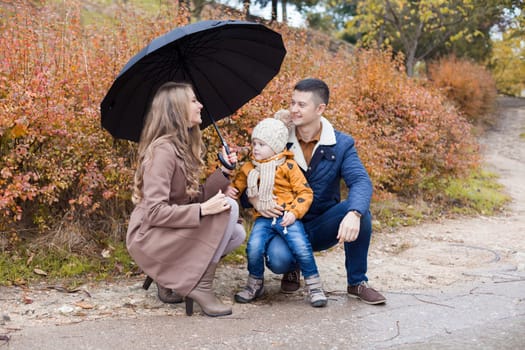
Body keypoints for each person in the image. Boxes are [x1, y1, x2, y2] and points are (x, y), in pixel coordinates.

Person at [250, 78, 386, 305]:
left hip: (322, 224)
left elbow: (361, 181)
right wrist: (254, 200)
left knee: (360, 211)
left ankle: (357, 282)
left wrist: (354, 214)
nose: (294, 109)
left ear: (320, 108)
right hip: (285, 224)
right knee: (278, 261)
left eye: (301, 105)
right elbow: (251, 177)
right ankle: (292, 268)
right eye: (292, 103)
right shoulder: (278, 140)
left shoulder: (341, 144)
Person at [126, 81, 246, 317]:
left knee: (236, 234)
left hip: (170, 226)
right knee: (229, 207)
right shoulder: (163, 151)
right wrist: (202, 210)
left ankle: (174, 275)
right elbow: (154, 212)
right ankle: (200, 285)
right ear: (176, 109)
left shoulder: (181, 147)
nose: (200, 105)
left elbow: (193, 197)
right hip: (149, 234)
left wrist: (224, 171)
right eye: (193, 100)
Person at [228, 115, 328, 307]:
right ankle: (255, 284)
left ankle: (314, 287)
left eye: (261, 144)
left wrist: (294, 213)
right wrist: (232, 190)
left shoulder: (288, 166)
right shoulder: (249, 168)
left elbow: (305, 192)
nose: (255, 148)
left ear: (276, 147)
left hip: (287, 216)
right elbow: (238, 186)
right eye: (254, 143)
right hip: (263, 218)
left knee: (302, 248)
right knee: (254, 247)